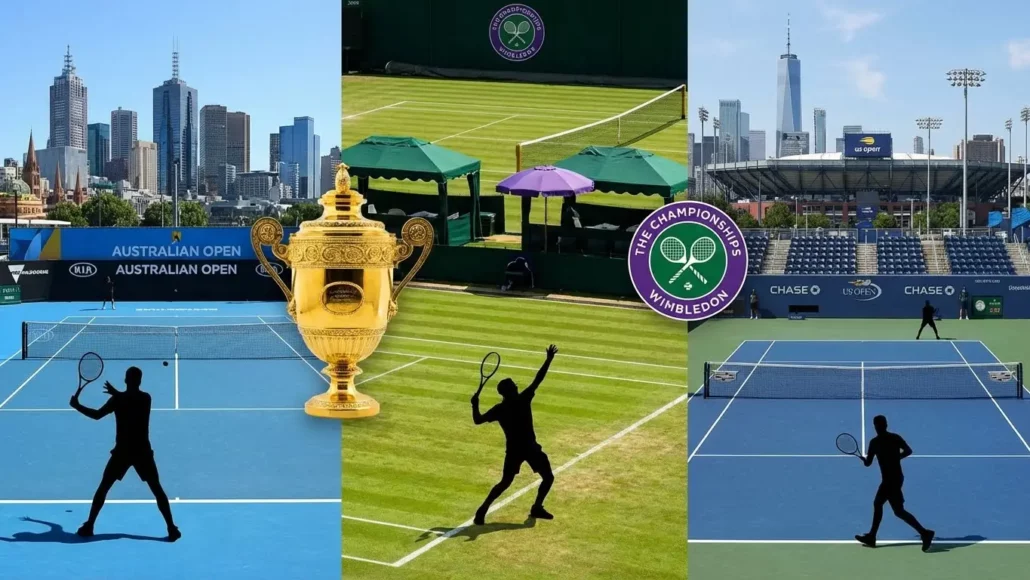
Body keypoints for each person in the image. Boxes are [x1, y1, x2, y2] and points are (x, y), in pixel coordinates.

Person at [70, 366, 180, 542]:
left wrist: (77, 406)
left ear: (126, 380)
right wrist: (117, 394)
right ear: (139, 381)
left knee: (103, 488)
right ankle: (172, 528)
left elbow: (97, 415)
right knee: (157, 489)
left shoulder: (118, 400)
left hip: (123, 452)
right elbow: (129, 400)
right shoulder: (145, 398)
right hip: (142, 451)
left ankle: (89, 525)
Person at [471, 345, 557, 526]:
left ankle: (482, 509)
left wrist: (474, 404)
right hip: (530, 448)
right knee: (548, 477)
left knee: (505, 482)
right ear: (510, 390)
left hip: (513, 451)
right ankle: (537, 507)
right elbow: (538, 379)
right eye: (514, 386)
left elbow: (477, 420)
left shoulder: (499, 409)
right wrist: (548, 360)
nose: (517, 386)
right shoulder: (523, 399)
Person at [855, 415, 934, 551]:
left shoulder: (874, 442)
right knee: (898, 511)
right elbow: (908, 451)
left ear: (875, 426)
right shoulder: (895, 438)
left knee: (880, 504)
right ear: (886, 425)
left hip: (889, 481)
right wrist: (897, 458)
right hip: (897, 478)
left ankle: (872, 537)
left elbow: (868, 464)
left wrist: (863, 459)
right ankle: (924, 533)